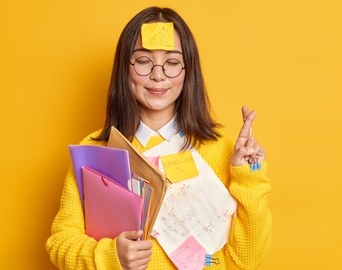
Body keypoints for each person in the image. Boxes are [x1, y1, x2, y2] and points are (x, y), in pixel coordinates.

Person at [46, 6, 271, 270]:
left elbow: (248, 260)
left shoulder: (219, 148)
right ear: (124, 68)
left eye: (172, 62)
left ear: (188, 71)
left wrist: (249, 175)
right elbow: (60, 242)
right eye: (143, 61)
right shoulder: (96, 150)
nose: (158, 74)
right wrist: (110, 255)